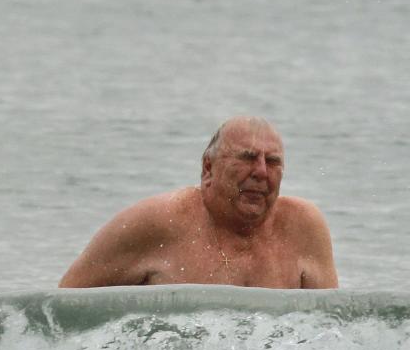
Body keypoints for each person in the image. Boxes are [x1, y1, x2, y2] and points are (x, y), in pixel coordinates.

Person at [59, 117, 337, 289]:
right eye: (247, 158)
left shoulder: (303, 227)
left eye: (273, 162)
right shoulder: (157, 221)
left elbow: (331, 331)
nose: (261, 172)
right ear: (208, 168)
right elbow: (64, 306)